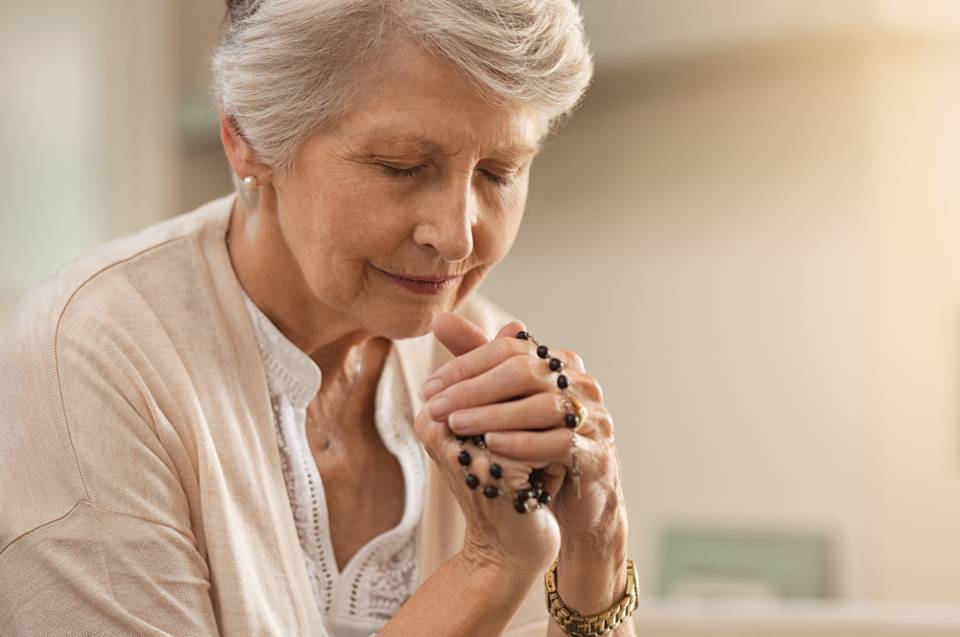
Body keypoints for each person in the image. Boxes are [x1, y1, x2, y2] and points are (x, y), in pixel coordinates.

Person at [0, 1, 636, 635]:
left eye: (500, 172)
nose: (456, 237)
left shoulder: (487, 362)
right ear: (246, 137)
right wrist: (489, 565)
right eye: (401, 166)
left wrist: (596, 547)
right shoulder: (90, 358)